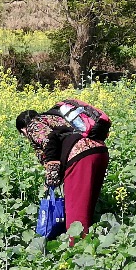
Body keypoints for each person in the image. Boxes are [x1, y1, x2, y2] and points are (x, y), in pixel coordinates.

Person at [15, 99, 110, 240]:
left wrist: (52, 176)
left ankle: (77, 253)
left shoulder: (33, 125)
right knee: (88, 208)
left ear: (23, 129)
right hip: (99, 151)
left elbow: (49, 139)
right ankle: (93, 245)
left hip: (80, 157)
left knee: (76, 213)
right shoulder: (56, 118)